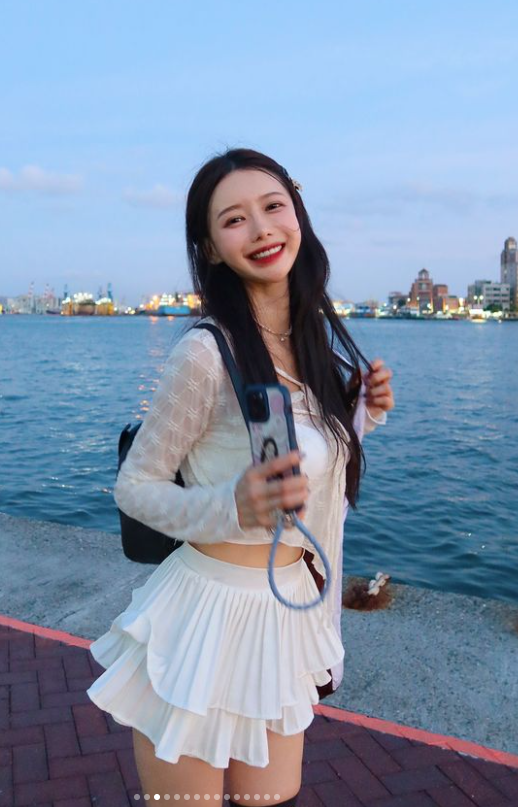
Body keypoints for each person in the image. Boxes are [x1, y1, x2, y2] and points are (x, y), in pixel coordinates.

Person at [86, 148, 395, 806]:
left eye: (273, 206)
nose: (260, 229)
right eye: (234, 219)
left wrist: (358, 416)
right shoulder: (204, 352)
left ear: (298, 216)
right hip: (203, 619)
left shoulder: (310, 342)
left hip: (284, 614)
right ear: (211, 247)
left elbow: (306, 473)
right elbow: (135, 487)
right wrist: (233, 506)